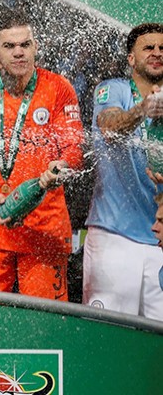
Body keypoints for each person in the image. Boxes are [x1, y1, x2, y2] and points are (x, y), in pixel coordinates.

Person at [0, 9, 83, 301]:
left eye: (25, 44)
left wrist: (61, 167)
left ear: (36, 46)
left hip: (44, 234)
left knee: (45, 329)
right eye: (10, 46)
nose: (19, 52)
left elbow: (74, 148)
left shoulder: (59, 88)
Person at [83, 23, 163, 319]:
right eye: (148, 48)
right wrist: (145, 108)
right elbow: (109, 128)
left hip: (160, 241)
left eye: (162, 48)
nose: (156, 53)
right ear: (131, 58)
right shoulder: (112, 90)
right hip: (114, 236)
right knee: (108, 336)